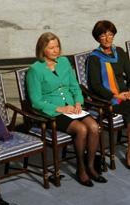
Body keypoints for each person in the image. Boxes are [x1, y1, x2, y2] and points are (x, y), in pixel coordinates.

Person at [26, 32, 107, 187]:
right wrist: (60, 108)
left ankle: (91, 166)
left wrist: (78, 102)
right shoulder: (35, 70)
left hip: (73, 108)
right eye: (51, 48)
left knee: (94, 127)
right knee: (82, 130)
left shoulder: (64, 62)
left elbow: (74, 86)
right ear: (43, 50)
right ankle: (81, 169)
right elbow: (36, 101)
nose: (56, 50)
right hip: (53, 113)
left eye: (57, 46)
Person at [87, 20, 130, 169]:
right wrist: (116, 96)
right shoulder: (94, 58)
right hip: (108, 100)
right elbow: (95, 86)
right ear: (98, 38)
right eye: (103, 35)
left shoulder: (120, 52)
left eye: (110, 35)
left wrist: (129, 92)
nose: (107, 38)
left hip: (125, 95)